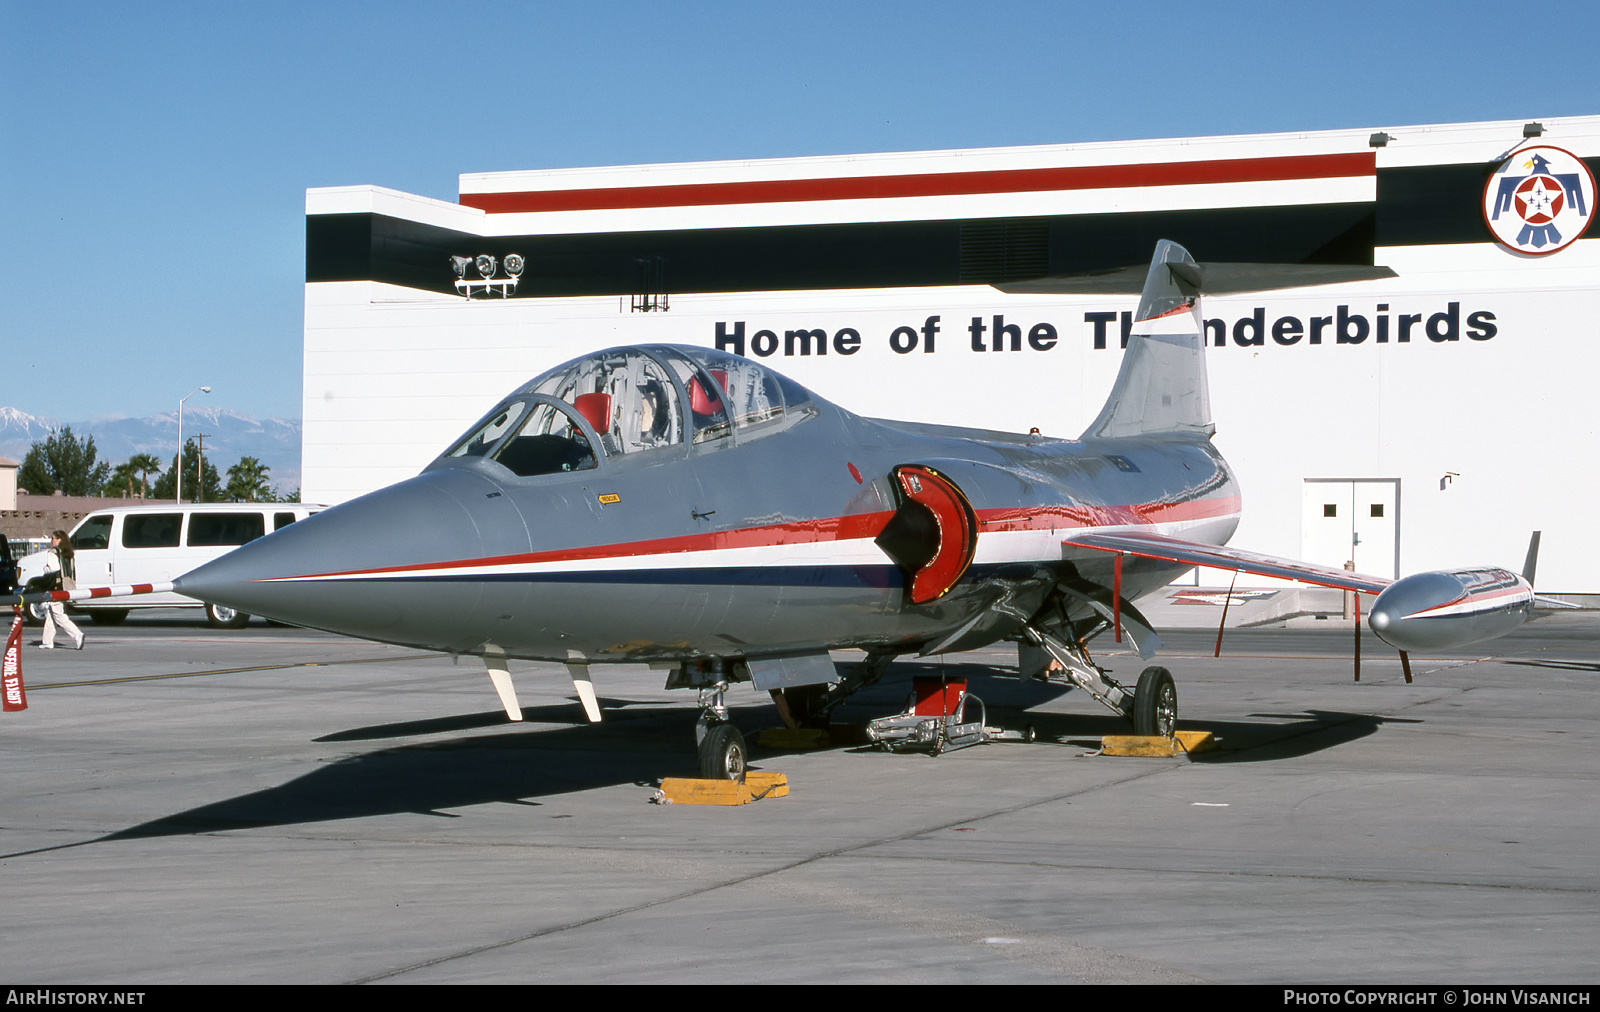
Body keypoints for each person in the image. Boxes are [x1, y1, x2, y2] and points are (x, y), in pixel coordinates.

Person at [40, 530, 83, 650]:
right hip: (67, 585)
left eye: (53, 538)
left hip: (56, 587)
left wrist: (45, 568)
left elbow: (54, 569)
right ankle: (47, 641)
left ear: (59, 540)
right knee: (51, 612)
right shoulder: (69, 553)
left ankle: (77, 635)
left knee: (58, 614)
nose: (51, 541)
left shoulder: (53, 553)